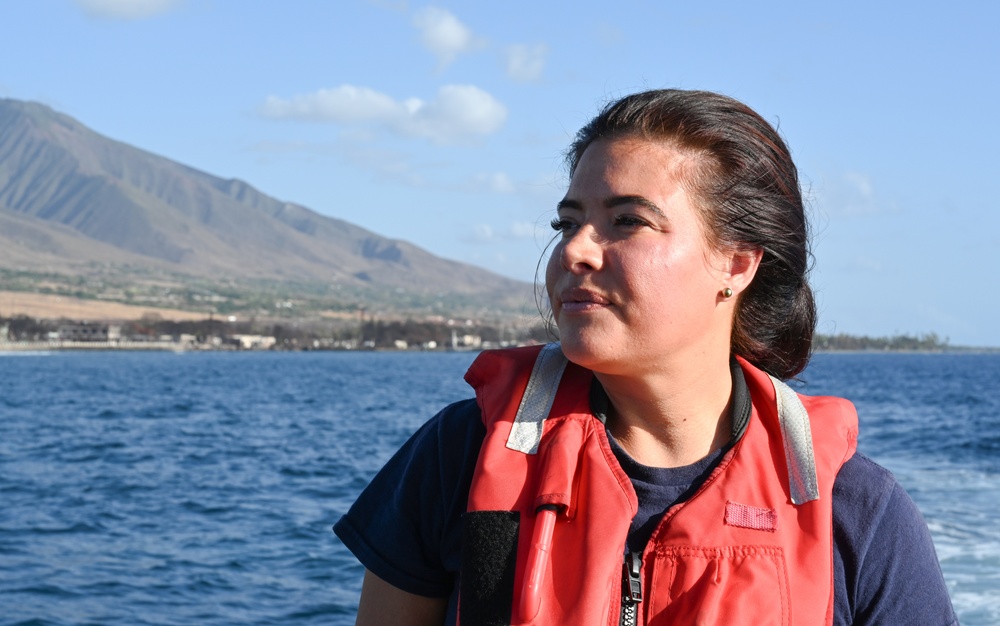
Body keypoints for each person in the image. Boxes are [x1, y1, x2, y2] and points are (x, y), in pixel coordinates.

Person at [334, 89, 958, 625]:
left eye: (627, 221)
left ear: (736, 263)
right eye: (567, 222)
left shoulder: (858, 511)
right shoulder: (458, 455)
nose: (576, 249)